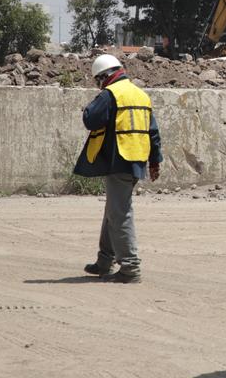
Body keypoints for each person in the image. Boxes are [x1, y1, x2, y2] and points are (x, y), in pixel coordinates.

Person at [73, 54, 163, 283]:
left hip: (119, 159)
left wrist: (96, 100)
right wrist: (155, 161)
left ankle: (130, 268)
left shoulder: (111, 94)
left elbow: (90, 119)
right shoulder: (141, 94)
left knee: (120, 213)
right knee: (113, 210)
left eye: (98, 80)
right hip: (137, 159)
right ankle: (104, 260)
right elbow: (153, 132)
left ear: (104, 76)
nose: (99, 84)